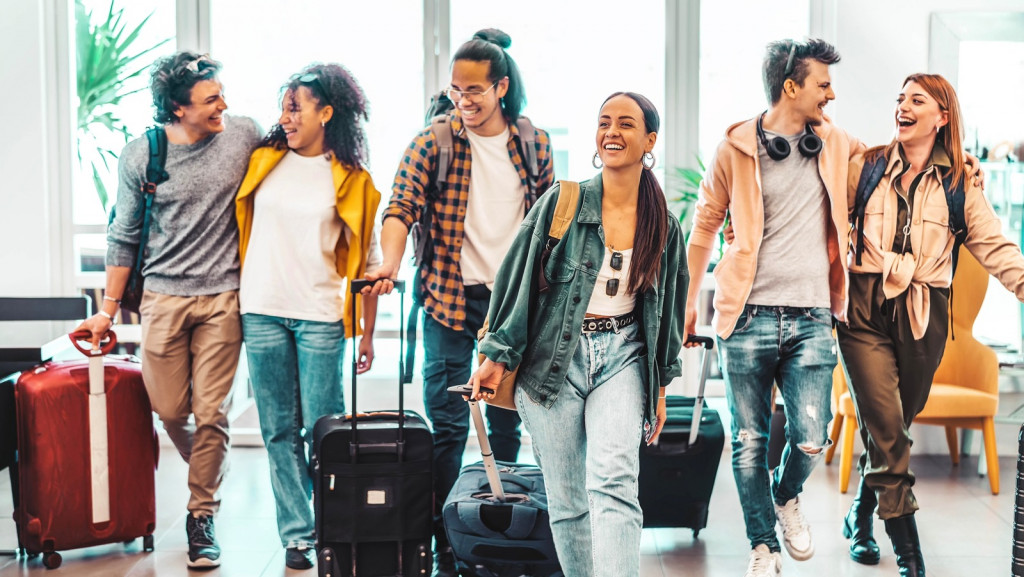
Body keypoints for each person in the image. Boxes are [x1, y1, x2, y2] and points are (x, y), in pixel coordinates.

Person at [469, 91, 687, 577]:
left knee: (613, 482)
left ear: (650, 139)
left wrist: (661, 388)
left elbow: (668, 311)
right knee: (568, 498)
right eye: (604, 122)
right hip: (553, 362)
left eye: (626, 124)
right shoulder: (562, 204)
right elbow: (517, 281)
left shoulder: (663, 226)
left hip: (623, 357)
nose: (612, 132)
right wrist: (496, 355)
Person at [363, 28, 554, 575]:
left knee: (510, 416)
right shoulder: (433, 142)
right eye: (454, 91)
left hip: (513, 305)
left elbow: (551, 223)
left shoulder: (533, 142)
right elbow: (400, 207)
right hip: (449, 297)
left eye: (474, 91)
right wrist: (389, 262)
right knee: (447, 421)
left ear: (500, 86)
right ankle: (450, 537)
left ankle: (512, 524)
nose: (463, 102)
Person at [684, 39, 865, 577]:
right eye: (822, 84)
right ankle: (762, 545)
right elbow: (704, 226)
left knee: (811, 438)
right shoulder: (735, 148)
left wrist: (962, 160)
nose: (831, 94)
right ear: (792, 87)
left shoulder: (832, 142)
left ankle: (786, 497)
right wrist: (688, 305)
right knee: (748, 440)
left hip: (811, 315)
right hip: (746, 316)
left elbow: (890, 158)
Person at [75, 51, 262, 569]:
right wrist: (107, 311)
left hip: (224, 298)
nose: (224, 105)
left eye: (221, 93)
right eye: (210, 100)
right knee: (171, 410)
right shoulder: (143, 155)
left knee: (212, 413)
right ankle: (208, 462)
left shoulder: (244, 134)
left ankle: (201, 515)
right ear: (177, 109)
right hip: (162, 298)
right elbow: (124, 236)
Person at [838, 73, 1024, 577]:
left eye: (917, 99)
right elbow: (815, 191)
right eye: (899, 98)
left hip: (925, 316)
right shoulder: (866, 166)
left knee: (891, 429)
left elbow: (994, 244)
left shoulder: (962, 183)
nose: (902, 105)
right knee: (890, 434)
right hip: (862, 310)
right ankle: (912, 559)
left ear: (942, 116)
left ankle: (859, 514)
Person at [234, 63, 382, 570]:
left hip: (319, 313)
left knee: (327, 430)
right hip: (261, 310)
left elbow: (368, 261)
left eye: (295, 107)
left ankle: (335, 527)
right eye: (284, 107)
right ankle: (297, 534)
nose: (286, 117)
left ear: (326, 112)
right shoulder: (263, 161)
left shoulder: (354, 180)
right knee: (278, 429)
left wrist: (366, 332)